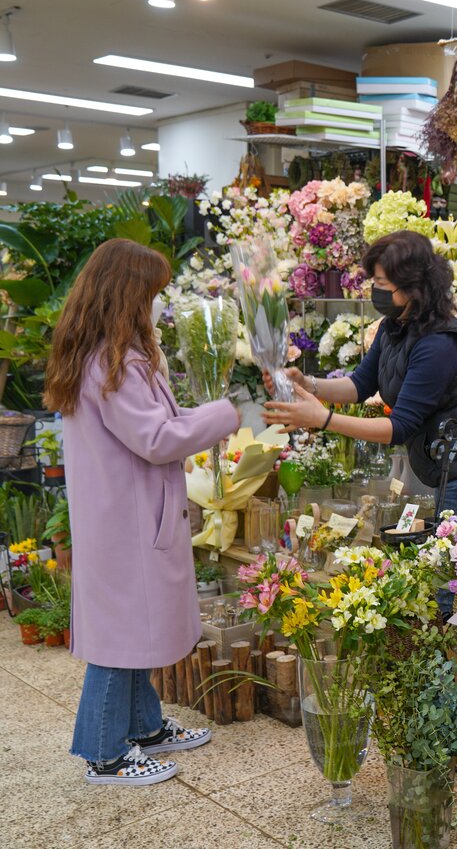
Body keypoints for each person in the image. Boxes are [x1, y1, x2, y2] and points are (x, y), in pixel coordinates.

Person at [45, 239, 240, 785]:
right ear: (128, 295)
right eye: (154, 293)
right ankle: (103, 753)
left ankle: (144, 726)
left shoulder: (110, 354)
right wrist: (225, 414)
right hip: (124, 521)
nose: (161, 303)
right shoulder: (114, 362)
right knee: (118, 637)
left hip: (124, 516)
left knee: (135, 630)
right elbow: (156, 438)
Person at [263, 229, 457, 512]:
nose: (374, 290)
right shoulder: (395, 324)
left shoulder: (439, 341)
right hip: (438, 465)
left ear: (412, 286)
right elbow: (361, 384)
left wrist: (324, 419)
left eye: (381, 282)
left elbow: (399, 427)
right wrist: (307, 383)